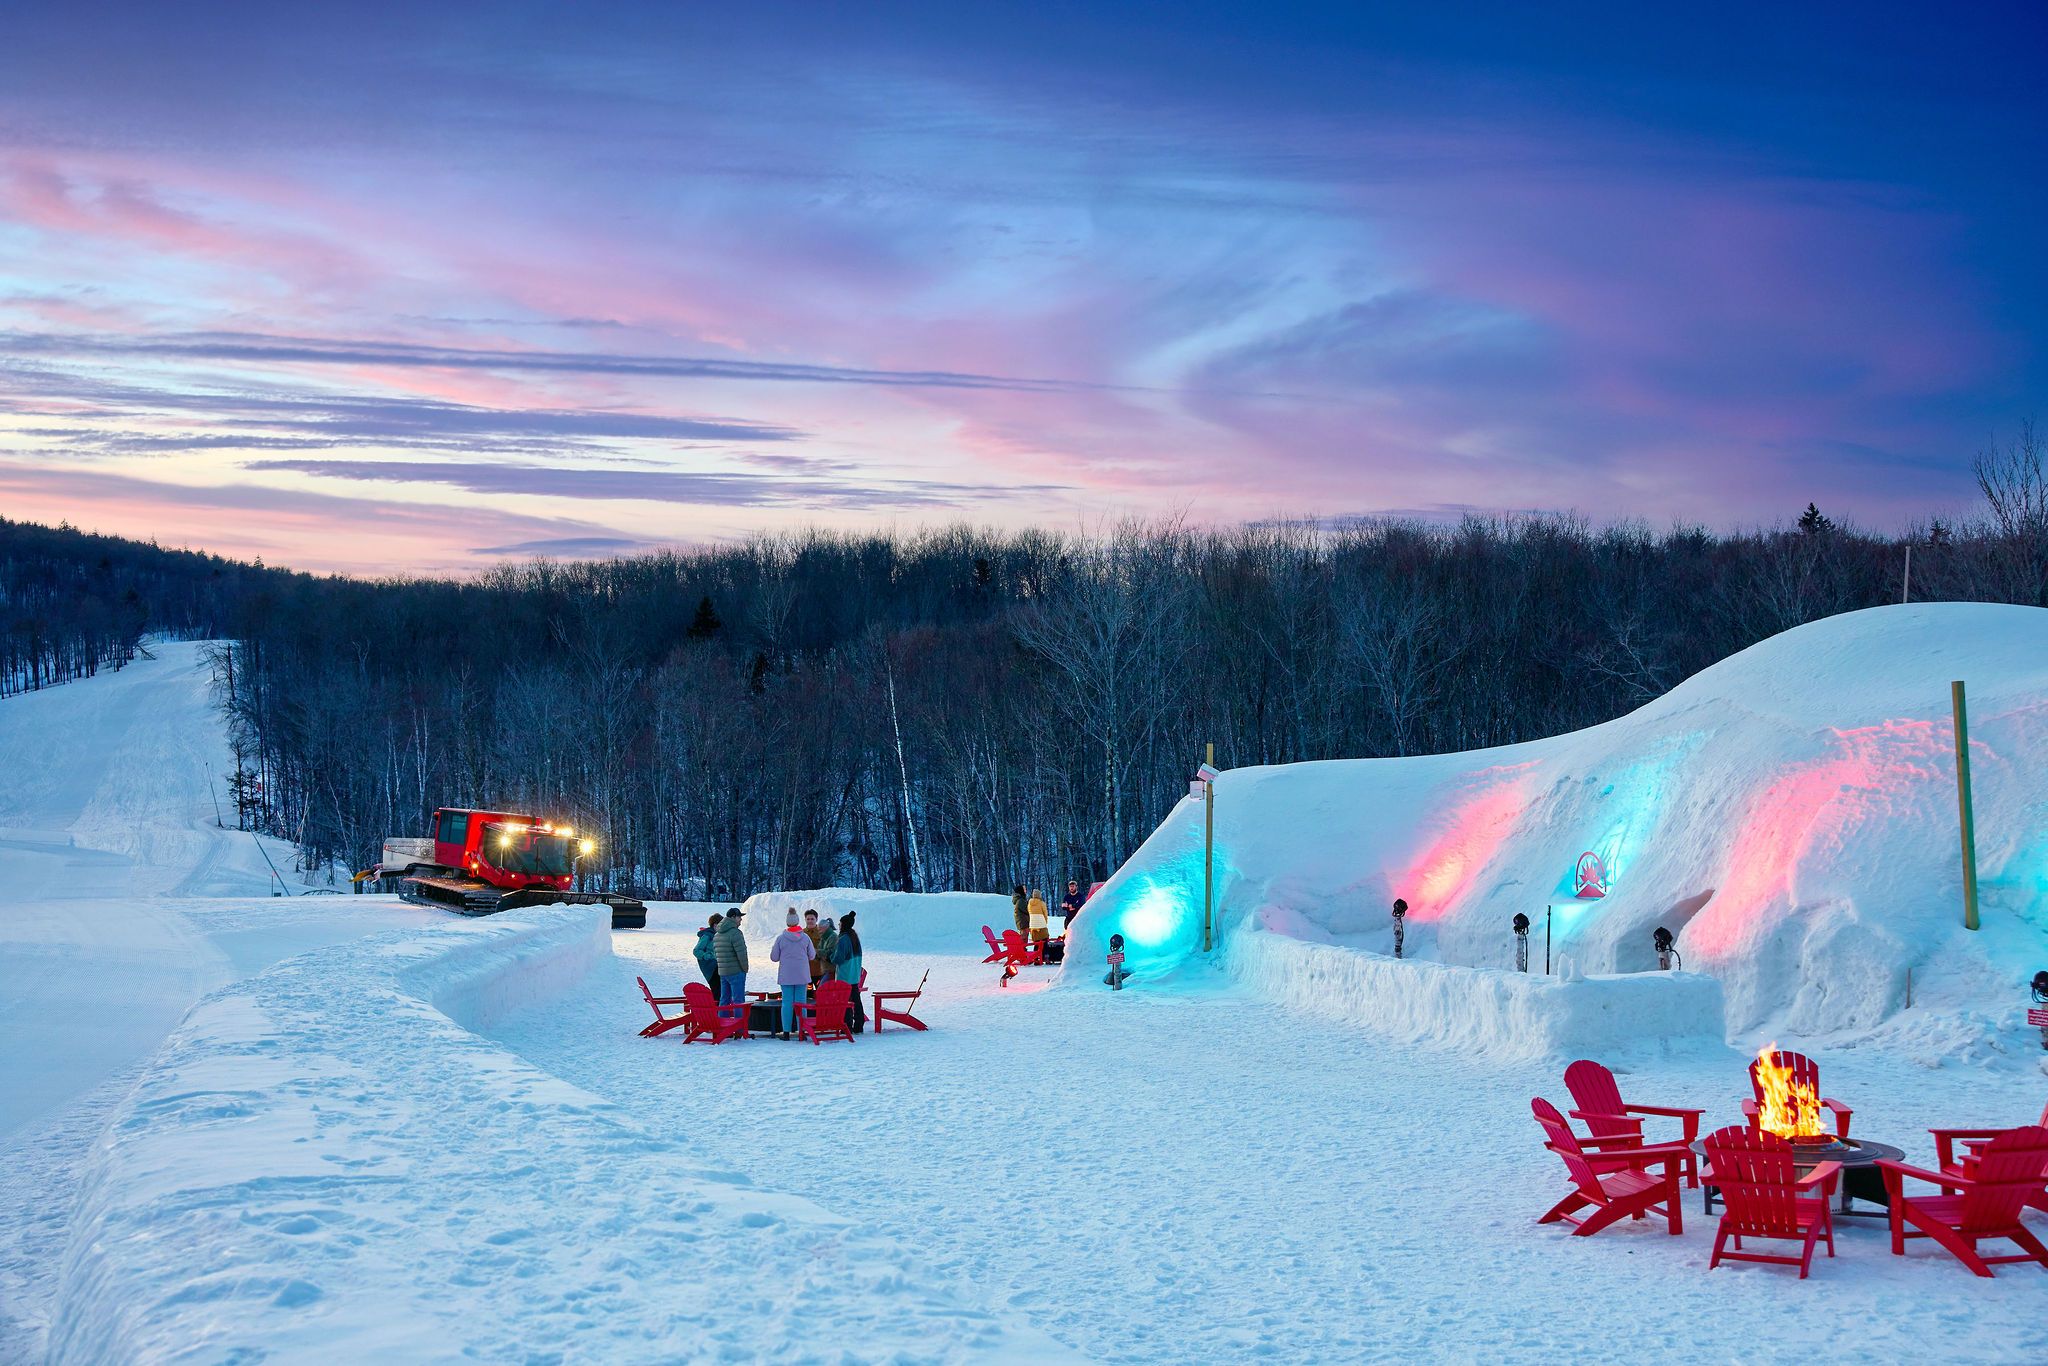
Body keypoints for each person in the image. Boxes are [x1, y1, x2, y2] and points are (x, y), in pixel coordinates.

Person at [770, 909, 815, 1039]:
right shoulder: (805, 937)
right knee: (801, 1003)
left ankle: (786, 1032)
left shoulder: (780, 938)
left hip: (786, 976)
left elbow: (774, 957)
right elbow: (812, 956)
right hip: (802, 975)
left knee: (787, 1003)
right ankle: (802, 1030)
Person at [833, 909, 865, 1033]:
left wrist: (830, 956)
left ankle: (846, 1025)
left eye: (840, 924)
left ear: (844, 925)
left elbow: (838, 959)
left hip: (844, 975)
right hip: (854, 975)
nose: (839, 925)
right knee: (856, 1001)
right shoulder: (854, 938)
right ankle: (859, 1024)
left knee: (844, 1001)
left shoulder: (843, 939)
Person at [713, 908, 748, 1006]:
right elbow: (742, 954)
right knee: (739, 1001)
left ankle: (722, 1020)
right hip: (736, 971)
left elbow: (716, 954)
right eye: (739, 917)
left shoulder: (717, 934)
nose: (741, 919)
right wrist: (745, 969)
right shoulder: (736, 933)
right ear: (733, 917)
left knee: (724, 999)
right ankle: (740, 1021)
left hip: (723, 972)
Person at [694, 913, 723, 997]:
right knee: (717, 989)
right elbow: (696, 951)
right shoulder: (707, 936)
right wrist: (708, 955)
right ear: (715, 924)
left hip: (717, 965)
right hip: (710, 967)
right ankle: (717, 1008)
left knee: (722, 988)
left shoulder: (718, 935)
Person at [813, 915, 838, 988]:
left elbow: (829, 953)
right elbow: (820, 952)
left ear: (825, 928)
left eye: (820, 929)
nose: (819, 931)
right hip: (825, 970)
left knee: (822, 990)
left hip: (831, 970)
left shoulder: (833, 937)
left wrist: (816, 951)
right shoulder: (823, 938)